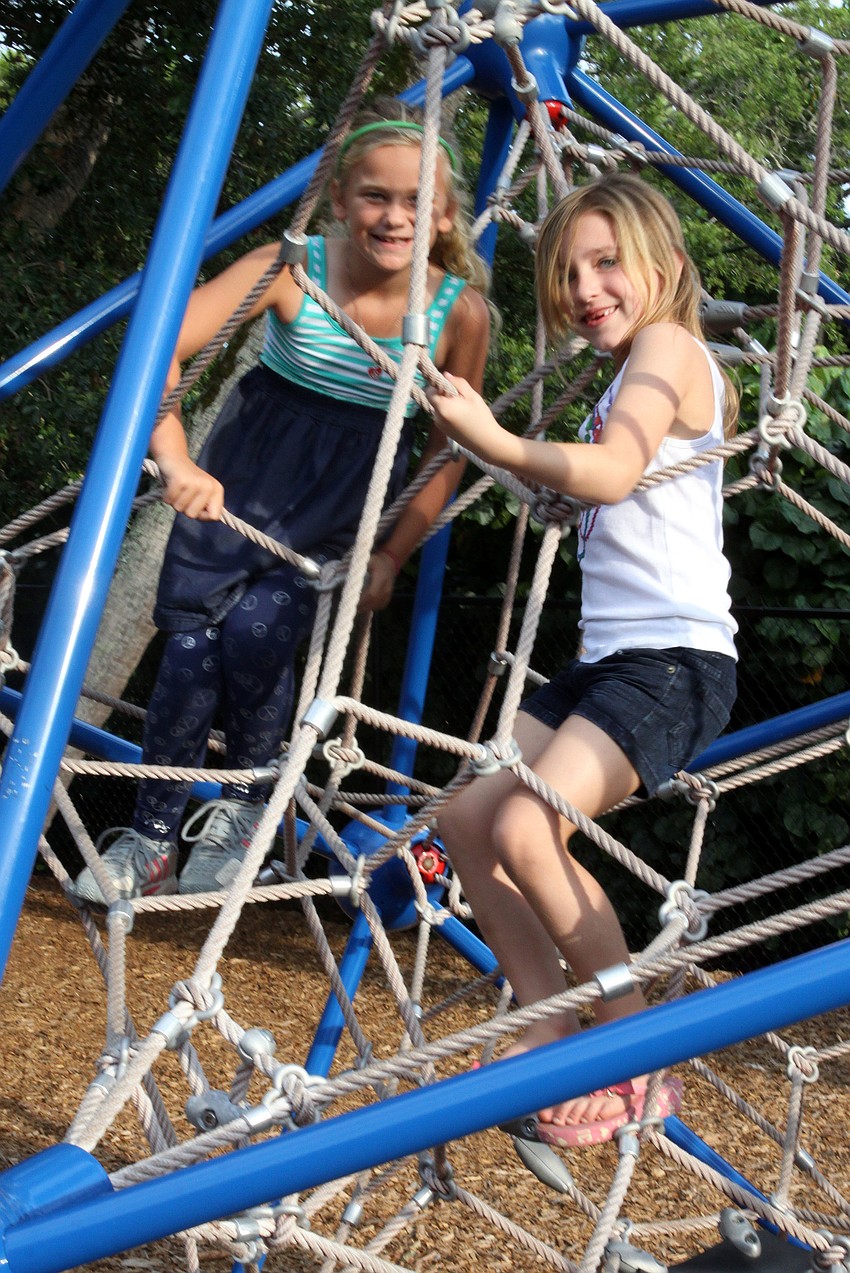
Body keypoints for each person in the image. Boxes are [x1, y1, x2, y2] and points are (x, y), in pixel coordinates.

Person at [72, 98, 490, 905]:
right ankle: (154, 836)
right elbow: (162, 346)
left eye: (414, 202)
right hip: (240, 486)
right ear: (339, 201)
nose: (392, 215)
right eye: (374, 195)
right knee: (191, 653)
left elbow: (449, 451)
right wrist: (176, 459)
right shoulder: (291, 268)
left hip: (334, 514)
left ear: (442, 217)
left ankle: (243, 816)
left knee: (259, 638)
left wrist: (393, 549)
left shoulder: (453, 313)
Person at [429, 172, 738, 1146]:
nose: (584, 286)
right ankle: (547, 1012)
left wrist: (497, 438)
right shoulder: (623, 377)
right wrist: (552, 490)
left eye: (606, 262)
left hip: (674, 662)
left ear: (666, 267)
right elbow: (614, 488)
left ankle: (630, 1051)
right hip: (609, 663)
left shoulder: (670, 347)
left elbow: (612, 466)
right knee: (464, 817)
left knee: (527, 828)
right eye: (568, 271)